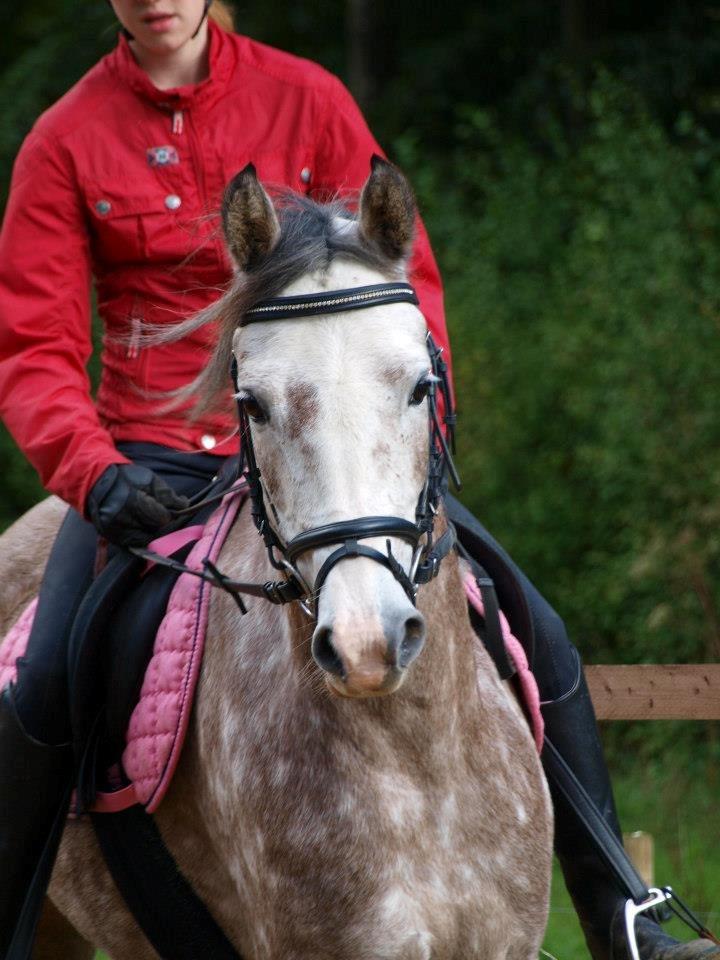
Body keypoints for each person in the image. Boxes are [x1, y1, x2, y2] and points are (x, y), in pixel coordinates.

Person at [0, 3, 715, 959]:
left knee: (536, 628)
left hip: (333, 456)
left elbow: (405, 294)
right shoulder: (65, 141)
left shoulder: (309, 100)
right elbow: (35, 349)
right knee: (46, 674)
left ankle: (625, 920)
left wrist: (407, 435)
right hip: (152, 463)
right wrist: (94, 475)